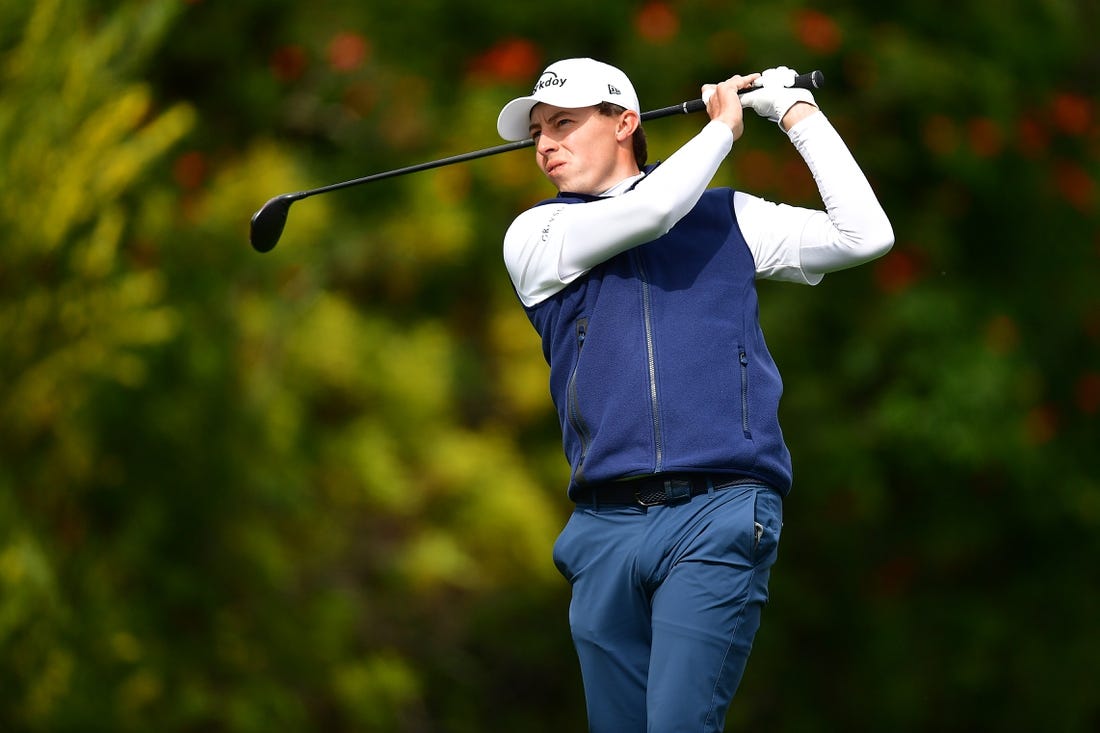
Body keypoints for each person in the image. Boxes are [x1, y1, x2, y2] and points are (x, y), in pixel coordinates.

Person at [495, 57, 893, 732]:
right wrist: (722, 129)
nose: (545, 145)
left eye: (563, 124)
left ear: (626, 123)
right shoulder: (536, 235)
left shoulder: (725, 217)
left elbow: (866, 235)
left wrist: (795, 110)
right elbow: (650, 211)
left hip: (719, 512)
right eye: (537, 131)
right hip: (603, 530)